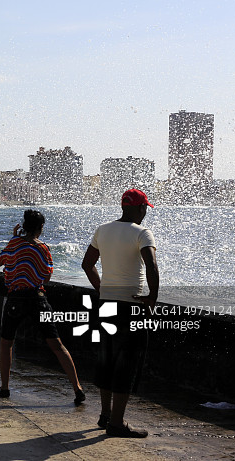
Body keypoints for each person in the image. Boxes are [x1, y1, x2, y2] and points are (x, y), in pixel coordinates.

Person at [81, 188, 159, 438]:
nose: (145, 212)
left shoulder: (103, 229)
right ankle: (116, 423)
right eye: (144, 207)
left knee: (107, 360)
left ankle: (105, 415)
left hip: (106, 305)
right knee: (127, 364)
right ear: (139, 208)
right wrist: (152, 298)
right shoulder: (142, 233)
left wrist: (102, 288)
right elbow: (152, 266)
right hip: (130, 307)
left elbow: (87, 264)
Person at [0, 209, 85, 405]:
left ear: (24, 226)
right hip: (38, 298)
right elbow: (47, 276)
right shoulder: (44, 248)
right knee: (57, 345)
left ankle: (5, 387)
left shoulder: (14, 243)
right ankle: (77, 388)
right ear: (40, 228)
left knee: (6, 343)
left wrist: (14, 239)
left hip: (16, 298)